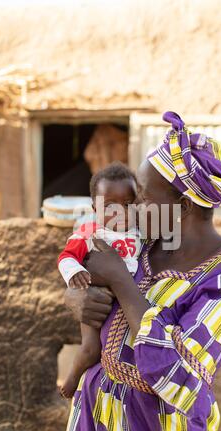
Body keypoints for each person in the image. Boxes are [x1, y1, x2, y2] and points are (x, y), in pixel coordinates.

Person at [62, 111, 221, 431]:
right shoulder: (144, 244)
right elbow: (87, 277)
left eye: (144, 199)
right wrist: (77, 298)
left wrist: (121, 281)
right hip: (95, 425)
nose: (133, 209)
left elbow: (180, 374)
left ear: (182, 207)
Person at [58, 162, 141, 398]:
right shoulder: (90, 232)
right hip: (96, 298)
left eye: (127, 204)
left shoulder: (139, 232)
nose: (120, 213)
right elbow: (66, 257)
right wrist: (75, 275)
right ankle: (72, 377)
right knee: (92, 348)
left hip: (126, 304)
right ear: (95, 207)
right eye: (110, 206)